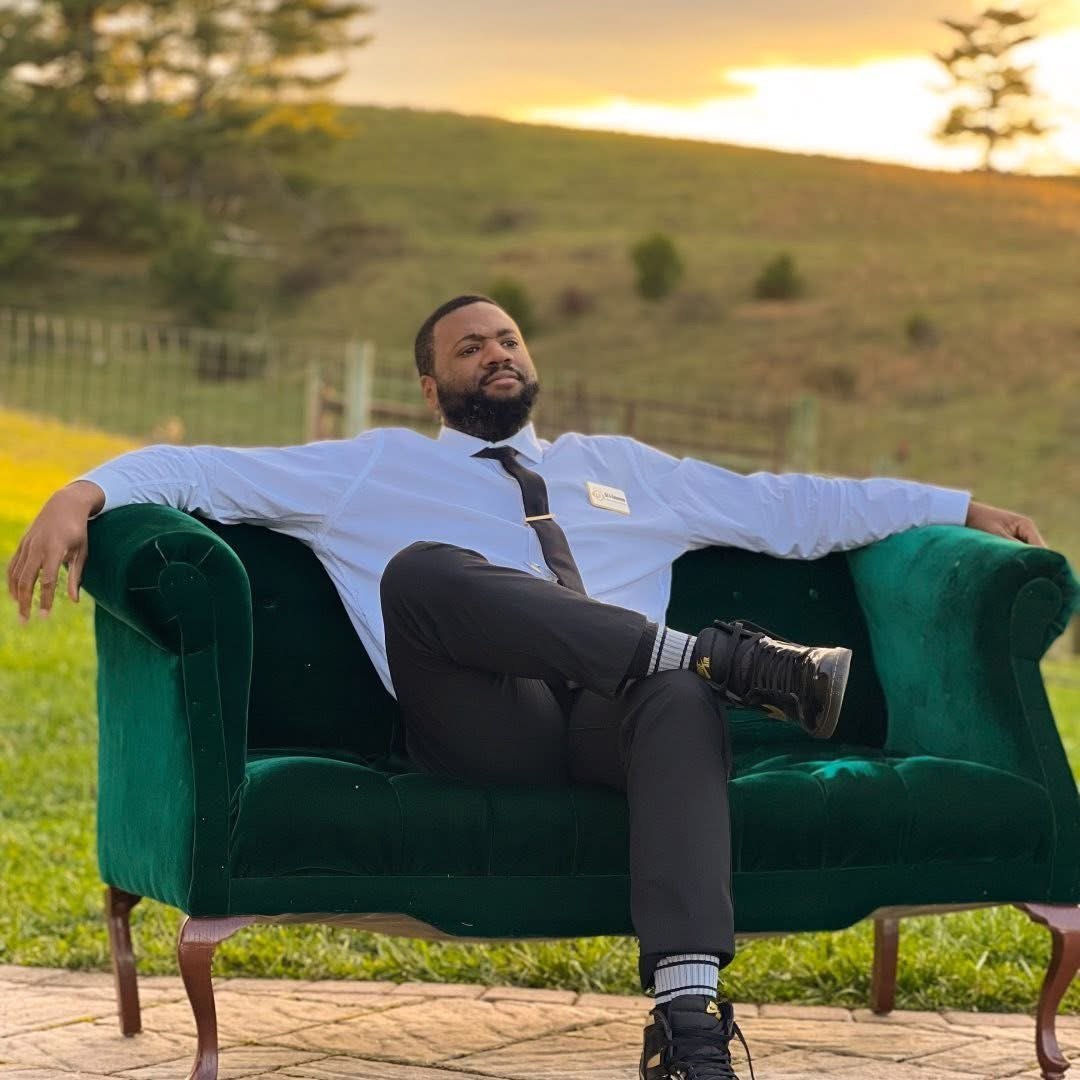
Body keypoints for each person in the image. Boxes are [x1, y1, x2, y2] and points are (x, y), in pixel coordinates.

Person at [7, 294, 1046, 1080]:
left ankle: (689, 1021)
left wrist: (956, 505)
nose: (496, 353)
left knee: (675, 696)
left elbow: (789, 505)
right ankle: (718, 657)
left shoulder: (623, 467)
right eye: (470, 347)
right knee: (425, 571)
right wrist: (80, 492)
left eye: (508, 339)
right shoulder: (370, 468)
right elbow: (201, 473)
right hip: (481, 723)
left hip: (618, 724)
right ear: (431, 387)